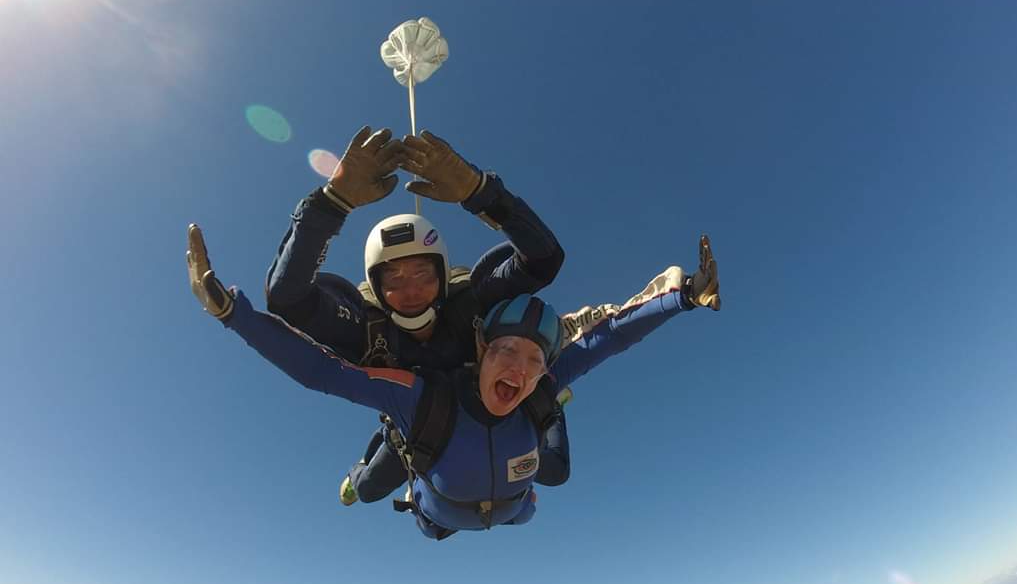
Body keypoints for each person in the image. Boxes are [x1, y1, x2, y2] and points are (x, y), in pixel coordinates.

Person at [187, 225, 721, 540]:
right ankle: (371, 473)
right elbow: (319, 372)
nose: (516, 368)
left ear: (543, 369)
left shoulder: (532, 384)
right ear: (482, 350)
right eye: (506, 351)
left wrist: (684, 297)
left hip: (510, 501)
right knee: (370, 492)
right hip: (439, 464)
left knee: (553, 474)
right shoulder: (418, 398)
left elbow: (607, 340)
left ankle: (555, 408)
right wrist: (235, 315)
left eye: (533, 361)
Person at [263, 126, 573, 497]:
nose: (410, 291)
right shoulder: (368, 328)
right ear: (374, 287)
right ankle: (362, 472)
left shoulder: (470, 300)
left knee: (553, 471)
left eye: (423, 274)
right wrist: (331, 203)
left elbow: (544, 259)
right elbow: (287, 299)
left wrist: (482, 192)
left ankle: (545, 398)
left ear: (443, 275)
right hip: (422, 423)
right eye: (392, 278)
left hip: (490, 402)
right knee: (368, 489)